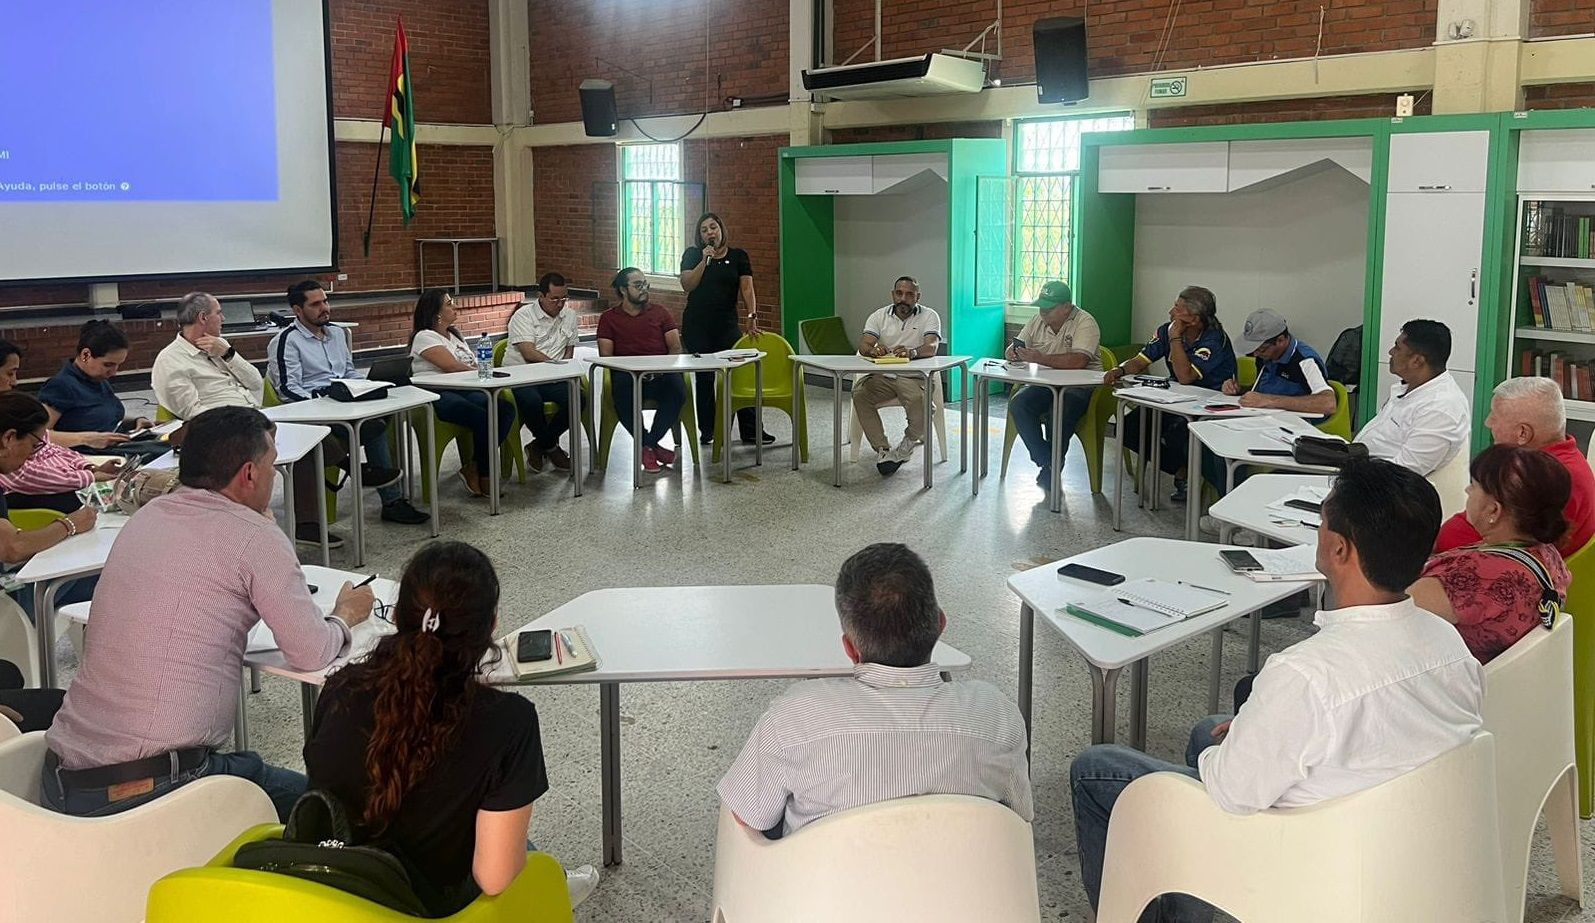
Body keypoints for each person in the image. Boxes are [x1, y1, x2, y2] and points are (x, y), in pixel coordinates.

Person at [1069, 458, 1483, 923]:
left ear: (1340, 549)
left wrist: (1247, 737)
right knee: (1209, 732)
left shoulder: (1304, 674)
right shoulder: (1448, 643)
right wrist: (1255, 730)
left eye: (1322, 522)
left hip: (1302, 863)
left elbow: (1231, 792)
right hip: (1397, 847)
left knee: (1096, 769)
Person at [44, 406, 375, 821]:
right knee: (340, 812)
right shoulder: (253, 536)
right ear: (249, 474)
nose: (275, 476)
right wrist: (344, 615)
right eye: (272, 465)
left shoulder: (149, 515)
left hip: (62, 777)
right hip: (153, 788)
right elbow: (311, 652)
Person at [304, 541, 598, 914]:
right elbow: (494, 877)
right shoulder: (510, 722)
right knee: (523, 857)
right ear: (491, 627)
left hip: (327, 893)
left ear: (397, 617)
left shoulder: (341, 687)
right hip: (427, 909)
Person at [718, 543, 1031, 838]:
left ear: (850, 648)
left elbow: (748, 815)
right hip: (961, 875)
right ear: (940, 625)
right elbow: (1018, 815)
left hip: (826, 877)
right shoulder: (997, 714)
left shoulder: (794, 717)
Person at [154, 291, 350, 548]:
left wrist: (228, 354)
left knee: (311, 436)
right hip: (220, 431)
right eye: (218, 313)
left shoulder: (218, 346)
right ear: (203, 318)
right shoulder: (170, 360)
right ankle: (347, 468)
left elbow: (255, 382)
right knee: (302, 440)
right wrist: (238, 421)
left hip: (251, 417)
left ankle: (308, 523)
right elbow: (194, 413)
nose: (223, 318)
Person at [268, 280, 426, 526]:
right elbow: (288, 389)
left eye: (325, 301)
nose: (324, 308)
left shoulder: (337, 334)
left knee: (380, 417)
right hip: (315, 411)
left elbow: (349, 372)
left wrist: (369, 386)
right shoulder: (286, 340)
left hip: (346, 402)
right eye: (315, 304)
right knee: (371, 425)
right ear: (298, 310)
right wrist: (324, 404)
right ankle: (385, 493)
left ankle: (385, 493)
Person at [1410, 444, 1572, 664]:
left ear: (1494, 510)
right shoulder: (1548, 554)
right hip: (1511, 677)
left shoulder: (1473, 579)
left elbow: (1387, 614)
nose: (1467, 491)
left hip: (1443, 676)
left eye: (1474, 485)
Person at [1102, 286, 1237, 502]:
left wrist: (1175, 338)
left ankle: (1195, 476)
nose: (1171, 312)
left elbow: (1185, 376)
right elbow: (1141, 360)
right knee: (1129, 428)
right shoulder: (1166, 330)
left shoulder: (1213, 340)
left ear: (1194, 319)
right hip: (1176, 400)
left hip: (1209, 406)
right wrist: (1119, 370)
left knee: (1178, 436)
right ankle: (1182, 469)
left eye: (1177, 308)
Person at [1434, 376, 1595, 556]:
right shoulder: (1558, 463)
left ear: (1522, 433)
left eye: (1494, 416)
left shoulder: (1544, 480)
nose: (1488, 422)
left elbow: (1507, 550)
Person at [409, 289, 515, 498]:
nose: (455, 307)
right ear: (436, 312)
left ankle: (474, 466)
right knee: (481, 416)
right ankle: (485, 474)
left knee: (504, 409)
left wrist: (481, 372)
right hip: (437, 392)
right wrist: (482, 372)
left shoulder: (455, 335)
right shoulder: (424, 336)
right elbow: (452, 367)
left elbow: (472, 363)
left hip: (465, 387)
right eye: (449, 304)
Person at [679, 212, 769, 446]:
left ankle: (751, 429)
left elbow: (747, 288)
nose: (710, 232)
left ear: (721, 230)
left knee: (740, 371)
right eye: (704, 230)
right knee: (705, 377)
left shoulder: (739, 256)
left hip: (727, 324)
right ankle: (709, 430)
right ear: (700, 236)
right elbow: (687, 285)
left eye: (713, 227)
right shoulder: (692, 255)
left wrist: (752, 315)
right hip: (697, 325)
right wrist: (703, 261)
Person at [0, 340, 122, 513]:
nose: (14, 382)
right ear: (86, 355)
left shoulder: (100, 384)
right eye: (10, 373)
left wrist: (88, 468)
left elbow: (48, 446)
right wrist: (87, 476)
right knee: (89, 500)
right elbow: (22, 474)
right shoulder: (61, 386)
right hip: (34, 489)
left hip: (65, 473)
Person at [1005, 280, 1103, 490]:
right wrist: (1013, 353)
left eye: (1048, 308)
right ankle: (1046, 459)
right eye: (1041, 307)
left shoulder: (1085, 322)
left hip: (1081, 386)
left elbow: (1079, 361)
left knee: (1059, 410)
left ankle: (1052, 464)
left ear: (1066, 307)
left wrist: (1039, 358)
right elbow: (1015, 345)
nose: (1043, 312)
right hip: (1047, 383)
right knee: (1019, 403)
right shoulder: (1037, 320)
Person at [596, 268, 687, 474]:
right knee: (622, 393)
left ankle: (648, 444)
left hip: (659, 374)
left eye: (646, 284)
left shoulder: (660, 312)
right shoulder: (609, 318)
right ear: (623, 289)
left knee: (678, 390)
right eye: (638, 285)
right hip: (628, 376)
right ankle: (650, 445)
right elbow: (606, 355)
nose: (644, 289)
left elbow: (675, 347)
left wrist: (664, 367)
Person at [1353, 319, 1470, 477]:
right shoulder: (1410, 388)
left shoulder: (1441, 408)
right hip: (1362, 470)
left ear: (1417, 361)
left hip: (1384, 485)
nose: (1391, 352)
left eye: (1397, 347)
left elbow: (1404, 472)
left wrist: (1352, 475)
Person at [853, 277, 944, 478]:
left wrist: (912, 352)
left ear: (918, 297)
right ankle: (882, 449)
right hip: (883, 376)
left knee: (920, 401)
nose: (903, 298)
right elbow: (864, 345)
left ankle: (906, 446)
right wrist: (873, 350)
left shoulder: (929, 316)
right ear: (893, 294)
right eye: (899, 293)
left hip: (914, 377)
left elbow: (932, 347)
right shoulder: (878, 316)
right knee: (859, 394)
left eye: (910, 294)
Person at [503, 272, 580, 473]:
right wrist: (556, 365)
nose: (560, 304)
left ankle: (538, 445)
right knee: (532, 401)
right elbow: (529, 353)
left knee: (578, 397)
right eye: (554, 299)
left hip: (553, 376)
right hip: (522, 375)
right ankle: (552, 447)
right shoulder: (523, 316)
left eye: (564, 298)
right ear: (541, 296)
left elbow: (569, 351)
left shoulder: (570, 315)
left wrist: (563, 369)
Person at [38, 320, 148, 450]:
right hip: (84, 455)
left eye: (118, 365)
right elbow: (38, 436)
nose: (114, 372)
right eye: (108, 365)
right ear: (86, 355)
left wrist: (135, 421)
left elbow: (103, 420)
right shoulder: (61, 386)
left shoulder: (97, 380)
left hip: (114, 446)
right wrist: (86, 439)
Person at [1220, 309, 1336, 417]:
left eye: (1261, 349)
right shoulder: (1264, 357)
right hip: (1264, 418)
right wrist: (1239, 390)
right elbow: (1263, 392)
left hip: (1297, 424)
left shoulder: (1305, 361)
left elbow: (1328, 404)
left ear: (1280, 340)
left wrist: (1269, 400)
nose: (1255, 354)